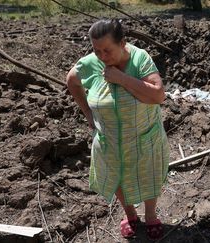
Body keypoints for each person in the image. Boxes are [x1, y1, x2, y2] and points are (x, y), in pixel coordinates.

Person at [66, 19, 169, 241]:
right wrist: (88, 114)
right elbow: (71, 81)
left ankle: (150, 216)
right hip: (109, 138)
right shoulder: (90, 64)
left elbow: (158, 95)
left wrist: (121, 78)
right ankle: (130, 215)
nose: (102, 56)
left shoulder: (140, 59)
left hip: (145, 135)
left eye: (107, 50)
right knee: (118, 175)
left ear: (122, 43)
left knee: (148, 173)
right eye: (97, 50)